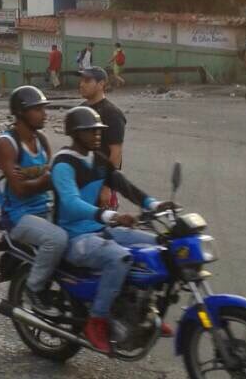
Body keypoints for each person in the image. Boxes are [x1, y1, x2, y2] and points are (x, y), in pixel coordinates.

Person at [50, 106, 173, 353]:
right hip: (75, 237)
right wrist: (111, 215)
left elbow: (123, 185)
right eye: (91, 131)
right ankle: (97, 320)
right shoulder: (63, 164)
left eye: (99, 131)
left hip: (100, 228)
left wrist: (155, 204)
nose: (98, 135)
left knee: (157, 247)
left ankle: (142, 312)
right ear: (75, 133)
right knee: (119, 258)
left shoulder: (97, 160)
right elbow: (71, 203)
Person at [0, 86, 67, 311]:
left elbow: (51, 173)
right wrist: (50, 179)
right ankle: (34, 288)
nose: (44, 114)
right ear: (21, 113)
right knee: (57, 239)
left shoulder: (41, 139)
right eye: (38, 109)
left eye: (44, 109)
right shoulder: (6, 144)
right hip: (18, 215)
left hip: (45, 207)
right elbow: (20, 190)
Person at [78, 66, 127, 170]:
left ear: (101, 84)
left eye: (87, 81)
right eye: (81, 81)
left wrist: (107, 183)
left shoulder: (112, 113)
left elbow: (116, 153)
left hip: (101, 178)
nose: (81, 84)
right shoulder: (80, 110)